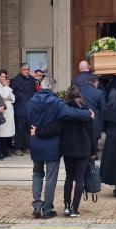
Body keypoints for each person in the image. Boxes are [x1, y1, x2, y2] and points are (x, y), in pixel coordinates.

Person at [26, 77, 93, 219]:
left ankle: (37, 205)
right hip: (51, 144)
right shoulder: (56, 103)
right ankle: (47, 208)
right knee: (51, 177)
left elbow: (26, 120)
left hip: (36, 142)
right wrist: (88, 113)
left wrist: (34, 131)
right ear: (52, 88)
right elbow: (72, 113)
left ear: (40, 86)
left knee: (37, 174)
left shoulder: (30, 102)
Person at [10, 63, 37, 156]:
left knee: (28, 129)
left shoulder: (32, 79)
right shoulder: (16, 80)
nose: (26, 71)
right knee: (19, 129)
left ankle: (26, 147)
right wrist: (19, 98)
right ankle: (18, 148)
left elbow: (34, 91)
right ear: (20, 70)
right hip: (20, 108)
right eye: (24, 69)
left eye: (28, 69)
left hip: (30, 108)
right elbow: (11, 93)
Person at [79, 75, 105, 154]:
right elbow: (103, 108)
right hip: (95, 119)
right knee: (94, 138)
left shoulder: (80, 90)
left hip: (81, 116)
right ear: (96, 82)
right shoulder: (99, 92)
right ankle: (93, 154)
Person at [0, 70, 16, 158]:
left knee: (7, 133)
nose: (4, 79)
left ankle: (6, 151)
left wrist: (7, 90)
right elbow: (3, 96)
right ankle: (1, 151)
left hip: (9, 109)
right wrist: (7, 87)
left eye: (5, 77)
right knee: (0, 132)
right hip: (2, 110)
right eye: (2, 77)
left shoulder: (4, 86)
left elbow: (13, 98)